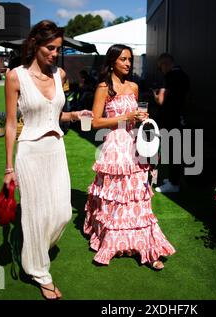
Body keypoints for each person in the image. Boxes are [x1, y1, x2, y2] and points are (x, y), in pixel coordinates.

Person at [3, 20, 91, 300]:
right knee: (35, 215)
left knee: (62, 213)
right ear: (35, 45)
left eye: (58, 48)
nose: (55, 53)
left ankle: (37, 248)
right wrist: (8, 167)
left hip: (56, 150)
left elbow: (55, 115)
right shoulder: (15, 76)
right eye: (50, 48)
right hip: (29, 152)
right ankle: (39, 272)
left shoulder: (59, 73)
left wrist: (74, 115)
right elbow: (9, 124)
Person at [83, 44, 176, 270]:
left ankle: (148, 248)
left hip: (136, 144)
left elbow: (135, 117)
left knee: (138, 199)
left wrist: (142, 117)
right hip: (115, 146)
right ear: (112, 61)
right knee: (118, 197)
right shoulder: (104, 87)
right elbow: (95, 122)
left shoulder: (134, 87)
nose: (127, 63)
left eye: (130, 59)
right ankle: (114, 242)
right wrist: (127, 116)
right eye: (123, 59)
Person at [153, 53, 190, 193]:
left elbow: (161, 100)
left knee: (173, 152)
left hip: (171, 119)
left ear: (165, 64)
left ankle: (174, 184)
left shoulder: (170, 77)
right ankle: (173, 180)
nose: (160, 70)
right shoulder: (183, 75)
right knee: (175, 152)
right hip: (180, 117)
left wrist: (155, 95)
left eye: (159, 67)